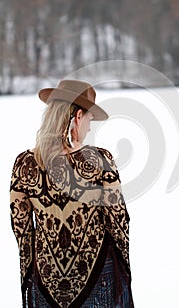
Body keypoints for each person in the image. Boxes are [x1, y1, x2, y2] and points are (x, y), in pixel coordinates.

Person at [10, 79, 134, 308]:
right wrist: (124, 273)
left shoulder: (24, 163)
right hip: (99, 275)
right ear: (78, 116)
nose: (90, 127)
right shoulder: (100, 160)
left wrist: (31, 275)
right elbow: (117, 220)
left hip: (45, 281)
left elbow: (22, 229)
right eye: (90, 119)